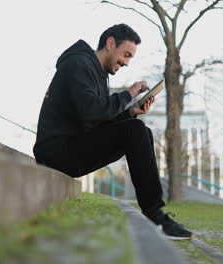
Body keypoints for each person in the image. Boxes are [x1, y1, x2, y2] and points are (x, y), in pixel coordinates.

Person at [33, 24, 192, 240]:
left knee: (141, 130)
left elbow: (95, 123)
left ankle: (156, 213)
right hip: (56, 153)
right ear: (110, 43)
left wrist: (130, 112)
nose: (126, 63)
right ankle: (154, 214)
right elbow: (91, 112)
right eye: (126, 54)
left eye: (130, 58)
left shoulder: (96, 74)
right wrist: (128, 94)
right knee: (136, 131)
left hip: (72, 147)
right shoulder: (78, 64)